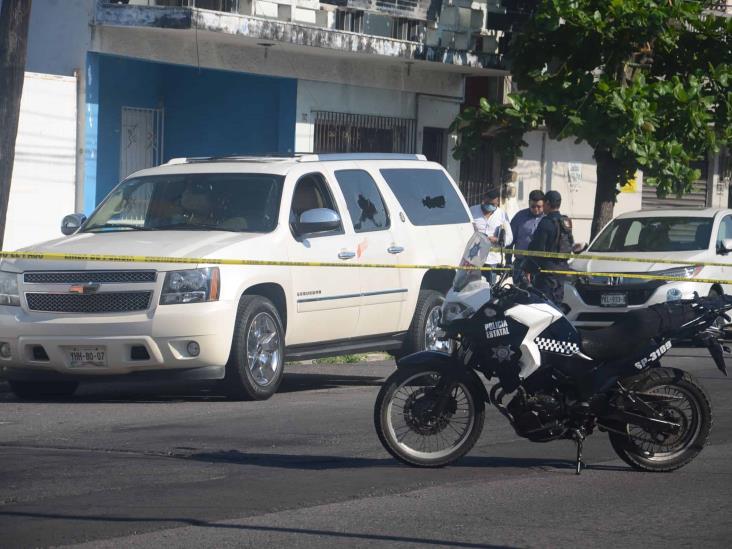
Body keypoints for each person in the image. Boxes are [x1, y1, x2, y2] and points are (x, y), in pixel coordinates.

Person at [525, 190, 575, 307]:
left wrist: (528, 269)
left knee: (544, 304)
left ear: (547, 203)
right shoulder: (565, 221)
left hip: (547, 272)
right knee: (557, 302)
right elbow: (570, 242)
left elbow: (536, 248)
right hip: (562, 269)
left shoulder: (546, 223)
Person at [473, 188, 513, 284]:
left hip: (492, 260)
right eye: (487, 203)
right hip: (473, 257)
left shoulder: (502, 214)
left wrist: (498, 240)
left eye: (493, 204)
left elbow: (510, 237)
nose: (490, 206)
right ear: (483, 199)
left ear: (498, 202)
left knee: (490, 288)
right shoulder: (472, 211)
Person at [509, 189, 545, 284]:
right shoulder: (520, 216)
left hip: (541, 265)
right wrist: (508, 261)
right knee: (520, 294)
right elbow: (510, 239)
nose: (536, 209)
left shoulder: (548, 219)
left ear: (544, 204)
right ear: (529, 203)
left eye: (539, 206)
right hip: (520, 264)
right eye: (533, 206)